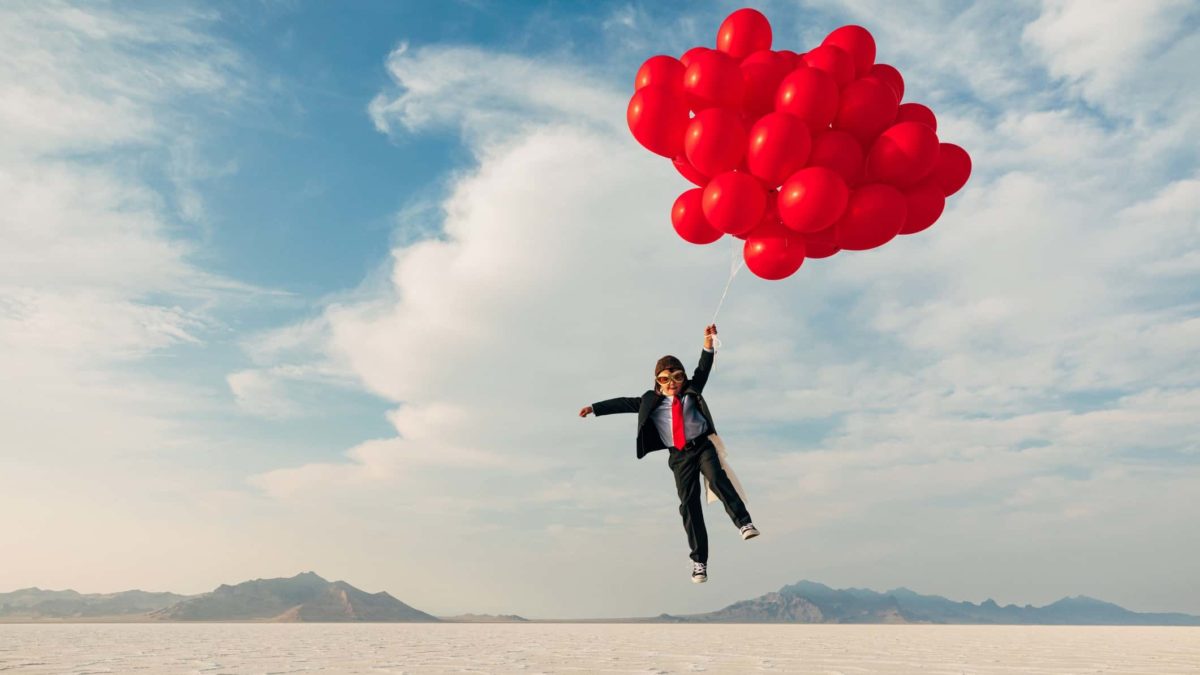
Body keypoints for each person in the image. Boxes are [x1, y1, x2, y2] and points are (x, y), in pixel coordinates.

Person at [579, 324, 758, 583]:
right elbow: (621, 403)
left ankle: (744, 523)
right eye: (665, 379)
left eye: (677, 377)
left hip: (702, 447)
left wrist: (708, 343)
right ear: (657, 382)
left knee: (718, 479)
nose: (672, 384)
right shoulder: (650, 401)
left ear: (683, 378)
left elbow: (703, 368)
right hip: (679, 456)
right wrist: (594, 408)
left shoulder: (692, 391)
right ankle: (699, 562)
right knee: (689, 505)